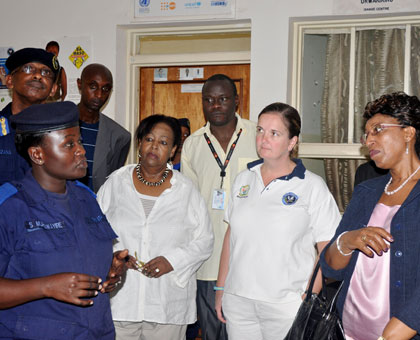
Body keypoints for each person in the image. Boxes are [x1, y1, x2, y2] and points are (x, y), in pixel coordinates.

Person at [0, 101, 133, 339]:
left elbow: (78, 255)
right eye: (69, 144)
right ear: (37, 154)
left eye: (79, 141)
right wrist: (46, 287)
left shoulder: (86, 198)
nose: (81, 150)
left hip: (95, 331)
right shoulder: (10, 207)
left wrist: (110, 269)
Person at [214, 102, 340, 340]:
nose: (263, 139)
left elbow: (328, 248)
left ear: (292, 142)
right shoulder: (244, 178)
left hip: (286, 304)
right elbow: (232, 236)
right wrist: (221, 288)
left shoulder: (311, 186)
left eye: (274, 133)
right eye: (260, 130)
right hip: (238, 300)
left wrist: (308, 297)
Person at [97, 114, 214, 340]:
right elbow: (94, 230)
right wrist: (113, 257)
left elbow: (205, 240)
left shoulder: (186, 190)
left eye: (163, 142)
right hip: (121, 301)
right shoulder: (115, 183)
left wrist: (172, 261)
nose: (154, 146)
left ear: (172, 151)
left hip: (167, 303)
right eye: (149, 139)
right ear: (140, 142)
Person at [320, 92, 420, 340]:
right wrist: (348, 240)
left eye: (378, 130)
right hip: (348, 329)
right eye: (367, 134)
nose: (369, 140)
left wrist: (396, 331)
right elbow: (330, 266)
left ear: (408, 133)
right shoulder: (367, 189)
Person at [181, 74, 258, 340]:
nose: (215, 105)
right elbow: (187, 205)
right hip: (208, 262)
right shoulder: (192, 144)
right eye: (209, 100)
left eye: (223, 99)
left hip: (251, 260)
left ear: (236, 101)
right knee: (212, 333)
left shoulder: (257, 137)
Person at [0, 47, 59, 185]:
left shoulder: (61, 133)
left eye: (46, 72)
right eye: (28, 69)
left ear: (53, 89)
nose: (38, 76)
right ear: (9, 81)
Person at [77, 63, 131, 192]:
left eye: (106, 89)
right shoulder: (58, 125)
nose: (99, 95)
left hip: (96, 208)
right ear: (80, 84)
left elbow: (111, 183)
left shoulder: (120, 136)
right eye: (93, 87)